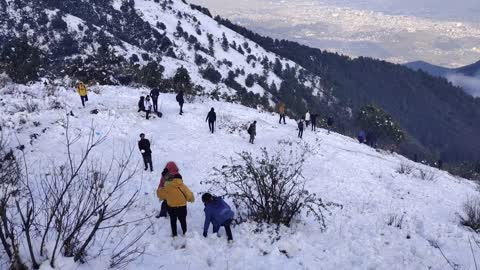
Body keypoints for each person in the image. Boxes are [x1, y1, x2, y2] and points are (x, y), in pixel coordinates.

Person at [157, 162, 194, 237]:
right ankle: (185, 232)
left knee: (173, 221)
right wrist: (191, 199)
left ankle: (174, 235)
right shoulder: (181, 185)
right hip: (182, 207)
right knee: (183, 220)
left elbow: (160, 194)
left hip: (171, 207)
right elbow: (189, 194)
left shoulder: (166, 187)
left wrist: (161, 191)